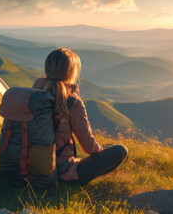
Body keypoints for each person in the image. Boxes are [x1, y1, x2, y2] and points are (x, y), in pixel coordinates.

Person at [32, 48, 128, 186]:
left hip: (28, 166)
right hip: (60, 174)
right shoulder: (73, 102)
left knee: (110, 148)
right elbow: (89, 147)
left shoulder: (34, 91)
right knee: (120, 151)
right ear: (71, 73)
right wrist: (105, 157)